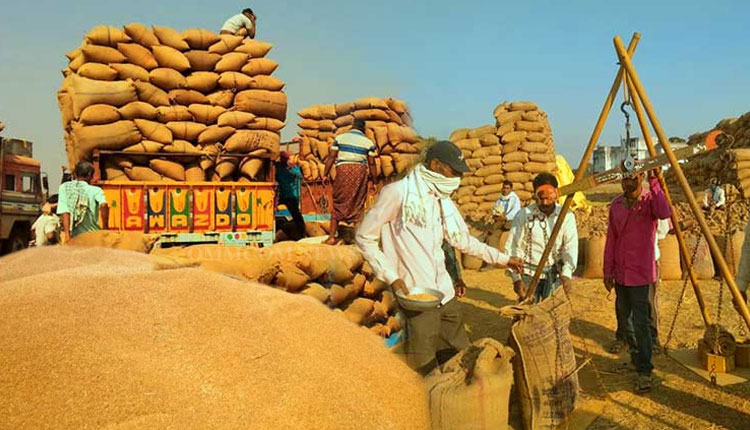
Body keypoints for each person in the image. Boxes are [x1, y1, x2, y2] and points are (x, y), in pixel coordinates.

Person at [356, 140, 523, 375]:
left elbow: (462, 241)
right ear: (435, 165)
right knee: (424, 364)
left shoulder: (443, 199)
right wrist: (391, 276)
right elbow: (364, 237)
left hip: (445, 293)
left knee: (461, 355)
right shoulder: (399, 193)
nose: (458, 179)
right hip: (416, 293)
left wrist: (504, 259)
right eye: (454, 172)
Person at [604, 165, 671, 393]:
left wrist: (655, 182)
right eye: (624, 178)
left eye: (632, 178)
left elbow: (664, 213)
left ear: (640, 176)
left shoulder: (649, 201)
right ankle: (635, 357)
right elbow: (611, 239)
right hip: (622, 273)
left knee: (642, 323)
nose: (628, 182)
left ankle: (645, 370)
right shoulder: (617, 205)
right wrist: (608, 270)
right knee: (626, 321)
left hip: (642, 274)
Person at [507, 172, 578, 303]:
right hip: (528, 273)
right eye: (541, 198)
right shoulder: (524, 215)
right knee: (528, 311)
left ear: (556, 194)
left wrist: (566, 274)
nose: (545, 203)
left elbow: (570, 247)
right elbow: (513, 247)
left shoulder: (566, 216)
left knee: (550, 311)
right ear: (535, 196)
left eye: (548, 198)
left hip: (554, 274)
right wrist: (516, 279)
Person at [323, 119, 378, 245]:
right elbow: (372, 163)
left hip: (343, 170)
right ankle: (359, 237)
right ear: (363, 129)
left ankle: (331, 237)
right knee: (358, 201)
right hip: (359, 172)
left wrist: (325, 174)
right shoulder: (368, 142)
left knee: (339, 200)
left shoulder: (340, 138)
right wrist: (374, 181)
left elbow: (331, 157)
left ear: (352, 126)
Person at [57, 161, 109, 242]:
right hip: (93, 236)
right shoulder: (96, 190)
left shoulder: (64, 188)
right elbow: (104, 205)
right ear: (90, 175)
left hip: (75, 238)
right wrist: (105, 229)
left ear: (75, 174)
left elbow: (65, 211)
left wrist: (67, 235)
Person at [275, 150, 306, 240]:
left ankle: (301, 232)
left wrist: (292, 166)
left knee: (296, 214)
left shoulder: (292, 168)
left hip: (291, 196)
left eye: (285, 159)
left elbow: (300, 175)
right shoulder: (278, 167)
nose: (284, 160)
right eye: (283, 159)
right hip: (282, 195)